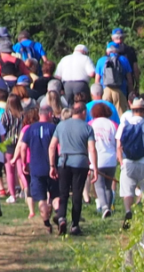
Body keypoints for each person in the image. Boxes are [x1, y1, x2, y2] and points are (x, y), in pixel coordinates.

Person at [50, 93, 96, 235]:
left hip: (63, 162)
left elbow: (52, 147)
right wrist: (94, 167)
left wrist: (52, 165)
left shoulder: (61, 126)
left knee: (63, 193)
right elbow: (92, 149)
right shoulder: (88, 128)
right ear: (83, 112)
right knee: (77, 194)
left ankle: (62, 217)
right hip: (81, 163)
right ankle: (75, 225)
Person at [18, 99, 59, 227]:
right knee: (55, 195)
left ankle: (46, 223)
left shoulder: (30, 129)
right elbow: (59, 147)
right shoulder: (54, 128)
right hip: (53, 167)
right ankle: (59, 216)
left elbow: (23, 148)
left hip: (36, 168)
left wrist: (25, 164)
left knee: (41, 198)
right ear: (49, 114)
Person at [117, 95, 144, 224]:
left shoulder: (124, 125)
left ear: (132, 110)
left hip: (128, 163)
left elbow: (118, 146)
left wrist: (121, 162)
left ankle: (128, 211)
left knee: (128, 190)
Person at [88, 98, 120, 218]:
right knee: (108, 185)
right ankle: (108, 207)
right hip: (111, 158)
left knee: (98, 185)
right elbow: (117, 142)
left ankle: (105, 207)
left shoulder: (91, 124)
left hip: (96, 158)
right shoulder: (113, 125)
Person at [95, 37, 132, 109]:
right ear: (118, 50)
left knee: (105, 114)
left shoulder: (101, 61)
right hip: (120, 91)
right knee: (120, 116)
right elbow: (129, 80)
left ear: (107, 51)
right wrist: (131, 92)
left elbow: (97, 81)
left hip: (105, 90)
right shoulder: (124, 60)